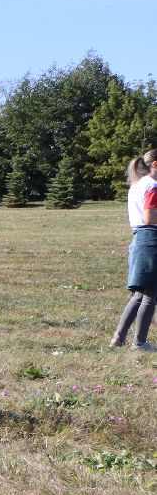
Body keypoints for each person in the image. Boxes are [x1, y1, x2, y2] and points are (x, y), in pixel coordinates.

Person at [110, 148, 157, 351]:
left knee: (139, 294)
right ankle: (139, 342)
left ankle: (118, 339)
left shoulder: (137, 185)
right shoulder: (153, 186)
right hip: (151, 239)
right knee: (149, 294)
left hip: (139, 239)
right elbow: (149, 217)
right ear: (155, 165)